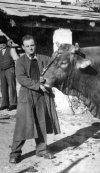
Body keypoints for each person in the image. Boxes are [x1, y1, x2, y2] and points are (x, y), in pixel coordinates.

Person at [9, 35, 60, 164]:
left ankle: (41, 150)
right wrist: (38, 85)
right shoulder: (20, 61)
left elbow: (54, 62)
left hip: (41, 97)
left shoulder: (43, 58)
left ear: (35, 45)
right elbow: (21, 78)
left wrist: (59, 52)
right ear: (23, 47)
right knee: (23, 125)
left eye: (32, 45)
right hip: (26, 96)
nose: (30, 48)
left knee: (41, 122)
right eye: (27, 46)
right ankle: (15, 153)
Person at [0, 35, 19, 111]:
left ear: (5, 43)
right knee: (3, 87)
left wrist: (17, 70)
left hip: (10, 69)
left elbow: (16, 60)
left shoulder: (11, 49)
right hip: (2, 70)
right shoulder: (0, 51)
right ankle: (4, 103)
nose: (1, 45)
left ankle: (13, 103)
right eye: (0, 44)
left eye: (2, 43)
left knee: (12, 86)